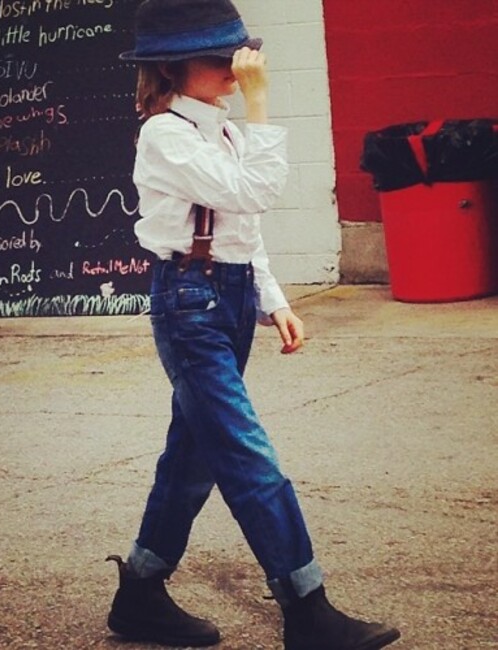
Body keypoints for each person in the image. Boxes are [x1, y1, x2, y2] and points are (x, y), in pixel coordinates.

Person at [106, 1, 401, 648]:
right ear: (172, 66)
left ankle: (140, 592)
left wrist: (272, 299)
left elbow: (243, 228)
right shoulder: (165, 134)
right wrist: (263, 107)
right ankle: (306, 606)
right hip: (189, 303)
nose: (236, 68)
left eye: (238, 54)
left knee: (191, 457)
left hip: (229, 296)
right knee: (245, 454)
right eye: (219, 57)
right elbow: (250, 193)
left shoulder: (222, 131)